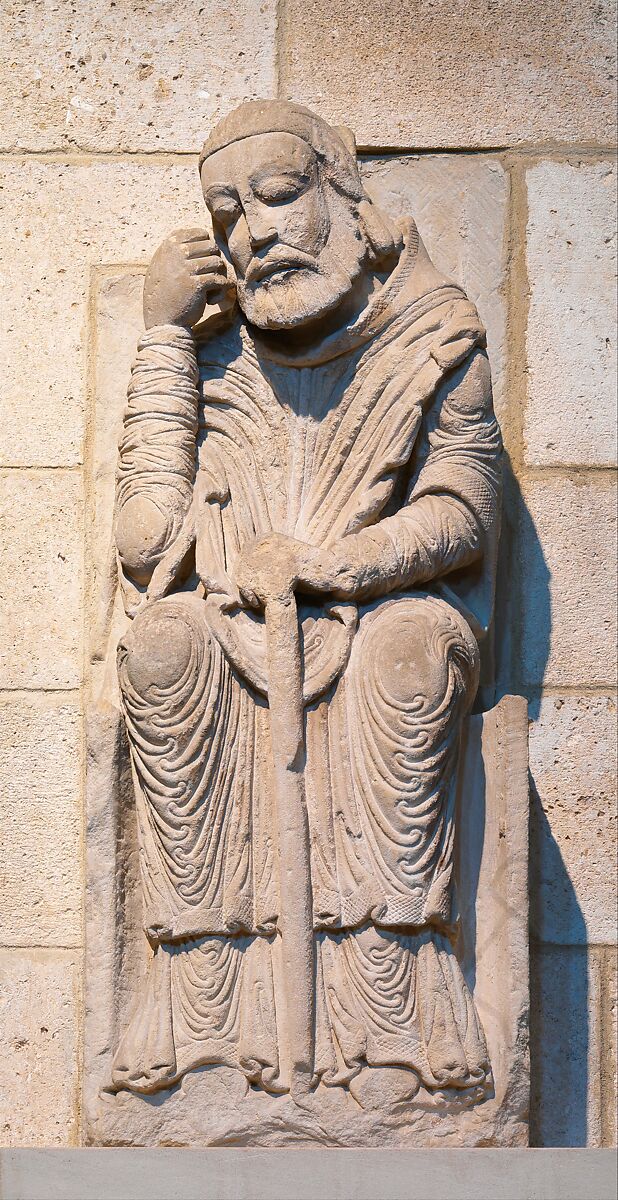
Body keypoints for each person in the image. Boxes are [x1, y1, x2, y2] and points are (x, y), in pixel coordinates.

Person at [111, 100, 502, 1109]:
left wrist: (344, 567)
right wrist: (160, 342)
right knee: (162, 647)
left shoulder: (434, 336)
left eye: (282, 195)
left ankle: (399, 1004)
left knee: (412, 649)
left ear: (348, 199)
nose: (255, 233)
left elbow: (464, 510)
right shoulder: (206, 360)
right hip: (237, 619)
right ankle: (199, 1001)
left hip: (371, 610)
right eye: (228, 214)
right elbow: (149, 542)